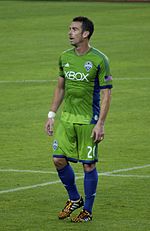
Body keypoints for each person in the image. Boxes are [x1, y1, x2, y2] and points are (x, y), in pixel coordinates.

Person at [45, 16, 112, 222]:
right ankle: (74, 199)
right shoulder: (64, 57)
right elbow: (60, 87)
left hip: (88, 121)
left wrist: (100, 123)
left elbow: (106, 94)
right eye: (69, 29)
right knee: (58, 159)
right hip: (66, 119)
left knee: (88, 165)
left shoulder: (100, 60)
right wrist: (51, 115)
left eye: (74, 29)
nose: (70, 32)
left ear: (86, 34)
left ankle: (87, 212)